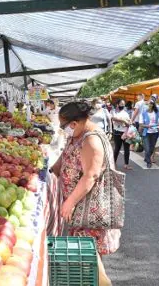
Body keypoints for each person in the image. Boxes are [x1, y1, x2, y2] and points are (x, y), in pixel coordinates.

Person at [50, 101, 120, 286]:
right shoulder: (78, 135)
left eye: (63, 126)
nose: (62, 129)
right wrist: (53, 169)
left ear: (74, 123)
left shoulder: (91, 139)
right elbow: (66, 156)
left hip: (90, 208)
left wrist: (70, 202)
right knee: (88, 255)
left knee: (89, 255)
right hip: (82, 207)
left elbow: (91, 175)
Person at [139, 100, 159, 168]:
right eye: (147, 104)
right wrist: (147, 126)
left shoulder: (157, 113)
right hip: (146, 133)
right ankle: (149, 162)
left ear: (152, 105)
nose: (148, 106)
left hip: (155, 133)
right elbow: (141, 124)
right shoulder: (143, 113)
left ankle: (147, 157)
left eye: (150, 104)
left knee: (152, 148)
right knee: (147, 148)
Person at [111, 99, 132, 170]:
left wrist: (128, 122)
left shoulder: (125, 113)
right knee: (117, 148)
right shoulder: (113, 111)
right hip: (117, 132)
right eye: (121, 104)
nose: (122, 105)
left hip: (125, 132)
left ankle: (126, 164)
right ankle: (113, 163)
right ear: (117, 104)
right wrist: (123, 120)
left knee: (127, 149)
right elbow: (113, 118)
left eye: (123, 104)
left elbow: (129, 122)